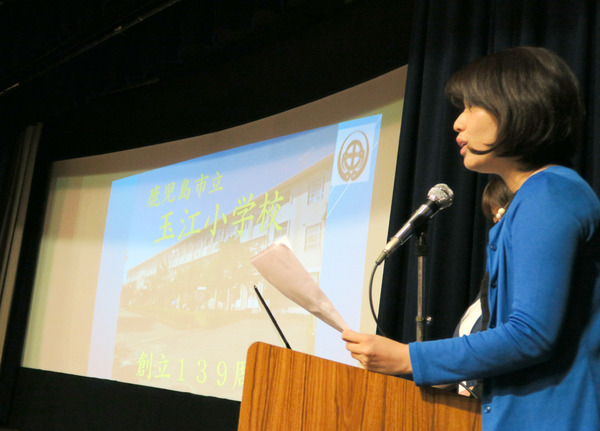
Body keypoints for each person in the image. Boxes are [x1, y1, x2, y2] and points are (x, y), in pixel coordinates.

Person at [342, 46, 600, 430]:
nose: (457, 123)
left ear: (517, 105)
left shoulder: (548, 193)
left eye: (471, 106)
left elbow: (530, 335)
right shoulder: (538, 195)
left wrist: (408, 358)